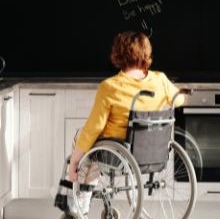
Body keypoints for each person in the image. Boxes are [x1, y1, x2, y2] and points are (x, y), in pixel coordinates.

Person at [67, 31, 180, 182]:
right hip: (152, 150)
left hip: (117, 155)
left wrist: (74, 162)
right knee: (90, 140)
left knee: (82, 136)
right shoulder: (160, 80)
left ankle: (82, 194)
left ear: (118, 54)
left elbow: (94, 127)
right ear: (147, 53)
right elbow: (179, 100)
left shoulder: (110, 86)